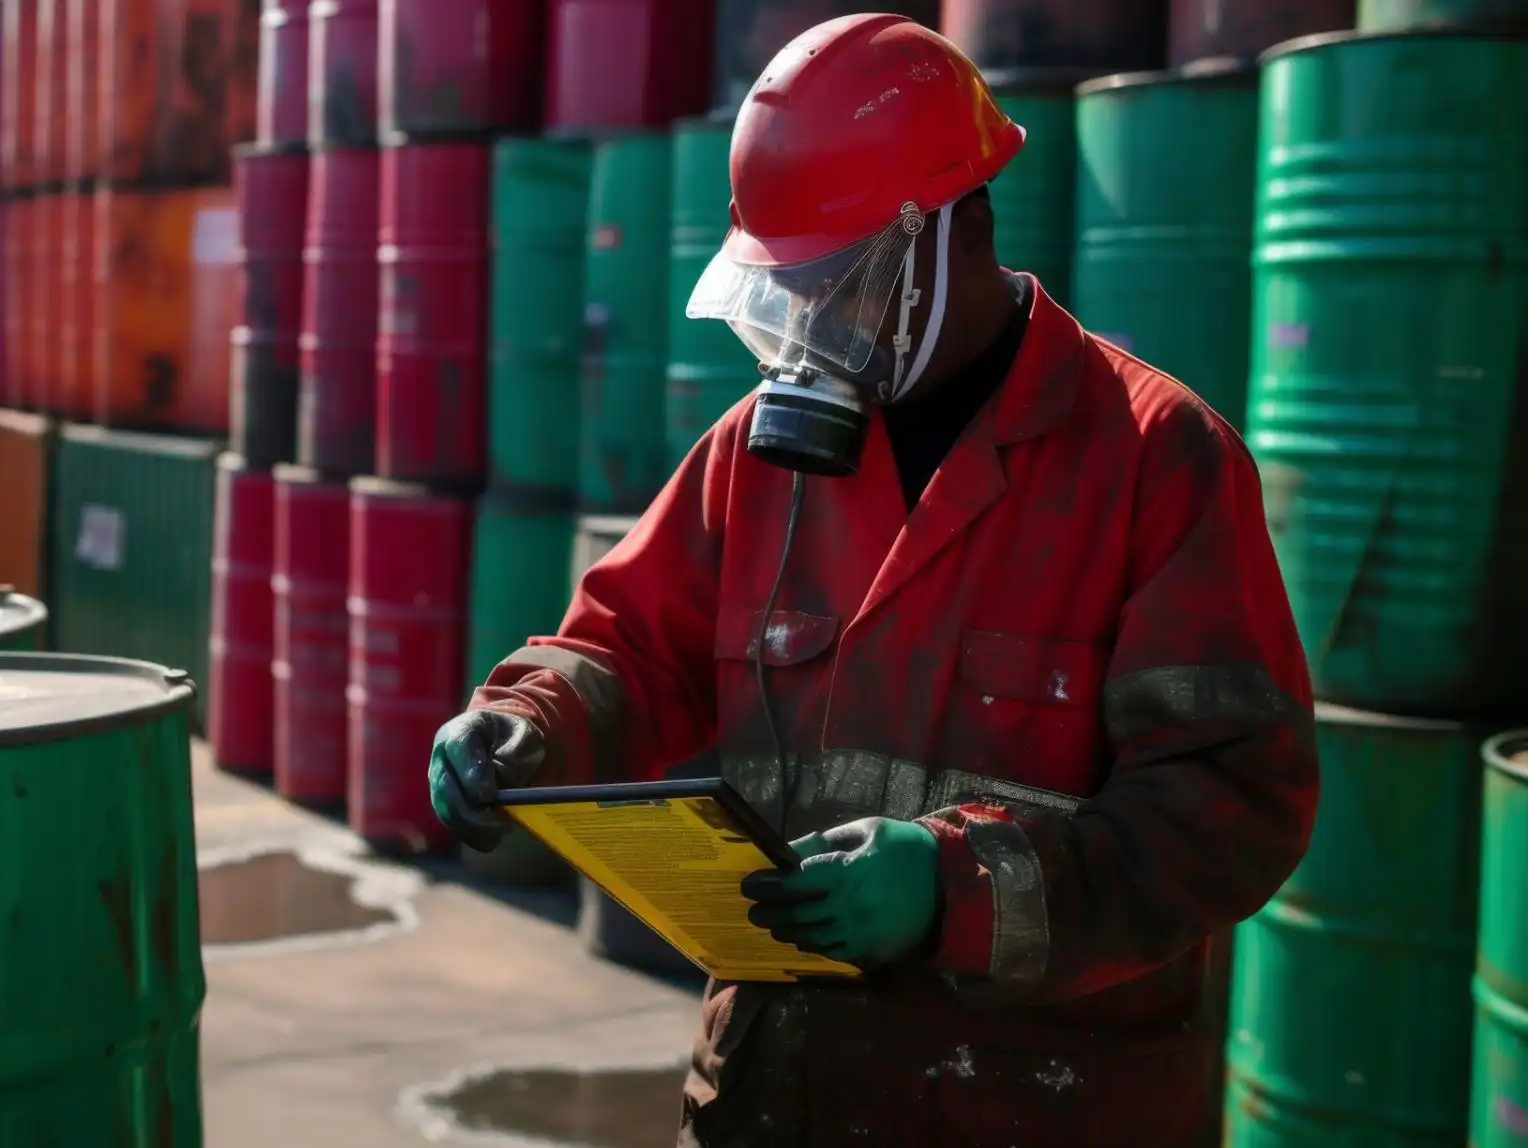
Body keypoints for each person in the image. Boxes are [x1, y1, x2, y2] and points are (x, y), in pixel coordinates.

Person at [427, 13, 1319, 1148]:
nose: (808, 323)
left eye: (840, 279)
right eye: (787, 286)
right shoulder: (760, 456)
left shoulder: (1155, 461)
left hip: (1039, 1103)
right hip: (780, 1091)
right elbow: (626, 646)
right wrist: (524, 721)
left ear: (955, 233)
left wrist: (958, 885)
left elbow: (1230, 811)